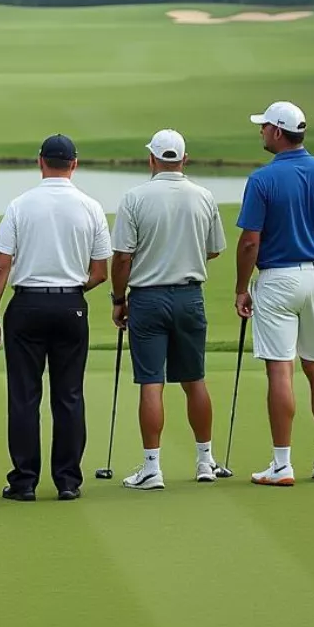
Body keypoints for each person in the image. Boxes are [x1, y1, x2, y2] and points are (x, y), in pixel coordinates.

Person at [0, 134, 111, 502]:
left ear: (40, 161)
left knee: (24, 397)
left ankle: (24, 482)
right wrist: (70, 290)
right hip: (71, 305)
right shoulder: (90, 207)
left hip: (25, 307)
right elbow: (100, 272)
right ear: (74, 163)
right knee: (69, 395)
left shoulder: (20, 205)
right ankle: (68, 481)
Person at [235, 101, 314, 486]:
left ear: (278, 132)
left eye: (265, 127)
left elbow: (250, 242)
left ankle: (282, 465)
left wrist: (240, 288)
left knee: (280, 369)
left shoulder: (262, 179)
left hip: (278, 280)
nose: (261, 132)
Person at [110, 129, 227, 489]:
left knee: (151, 382)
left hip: (147, 299)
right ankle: (205, 461)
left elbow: (123, 257)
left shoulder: (134, 197)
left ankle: (152, 468)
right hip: (190, 297)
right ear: (184, 159)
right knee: (195, 380)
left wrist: (118, 299)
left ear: (152, 159)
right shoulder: (204, 196)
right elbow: (214, 248)